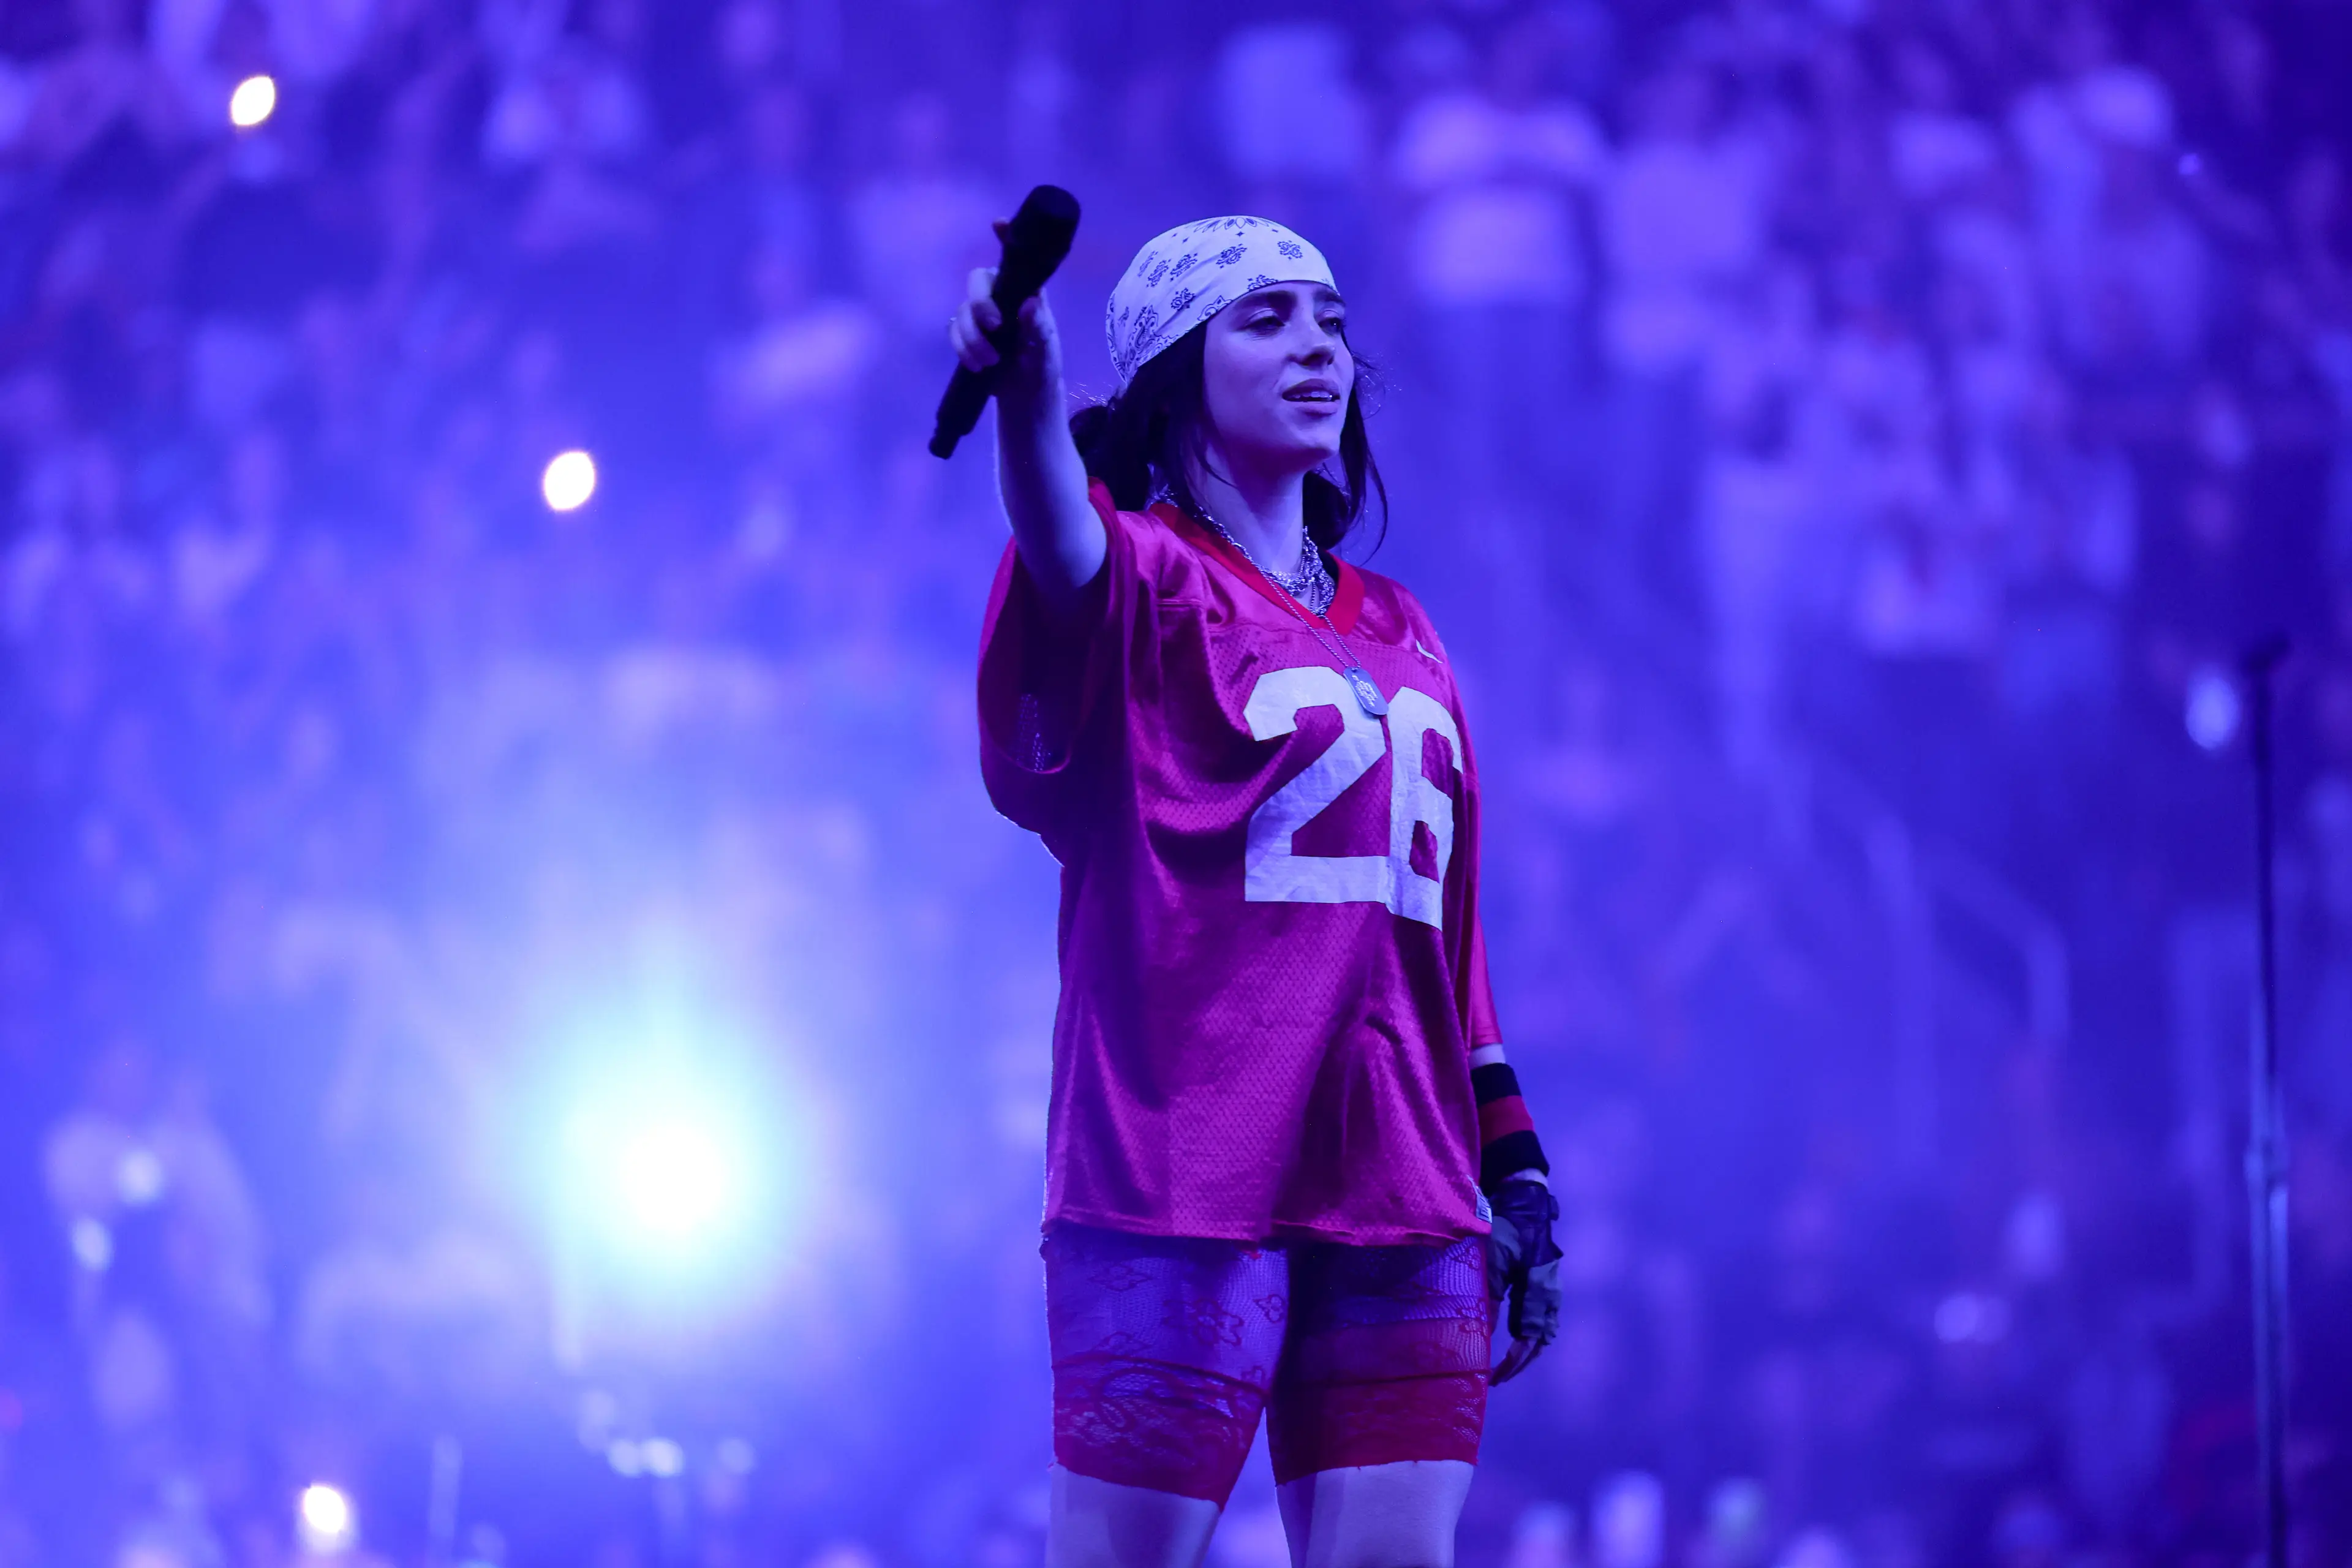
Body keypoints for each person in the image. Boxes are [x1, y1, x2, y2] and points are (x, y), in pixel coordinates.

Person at [949, 214, 1563, 1568]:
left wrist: (1512, 1162)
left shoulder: (1408, 627)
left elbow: (1446, 942)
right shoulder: (1145, 578)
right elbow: (1057, 529)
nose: (1318, 349)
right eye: (1268, 319)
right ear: (1176, 369)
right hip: (1179, 1170)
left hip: (1407, 1180)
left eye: (1332, 321)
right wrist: (1031, 388)